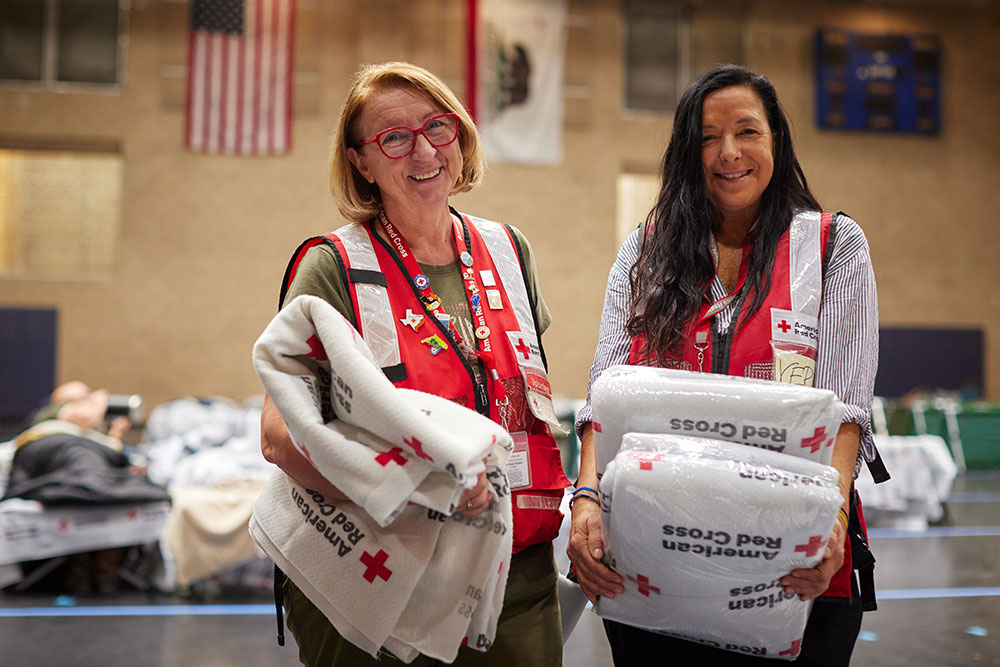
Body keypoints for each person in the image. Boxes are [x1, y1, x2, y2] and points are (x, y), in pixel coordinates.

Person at [567, 64, 887, 666]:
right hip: (656, 553)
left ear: (776, 143)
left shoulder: (833, 248)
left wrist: (833, 520)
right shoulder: (646, 250)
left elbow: (846, 409)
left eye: (747, 131)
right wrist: (587, 501)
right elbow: (603, 395)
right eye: (708, 136)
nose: (728, 152)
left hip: (792, 557)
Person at [260, 62, 569, 666]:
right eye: (394, 138)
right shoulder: (331, 265)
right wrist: (405, 495)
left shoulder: (509, 250)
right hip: (387, 569)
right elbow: (279, 438)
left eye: (438, 127)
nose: (424, 150)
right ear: (361, 162)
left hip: (515, 570)